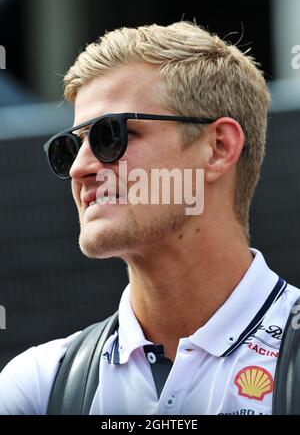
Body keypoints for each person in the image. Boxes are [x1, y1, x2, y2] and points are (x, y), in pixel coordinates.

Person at [0, 21, 299, 415]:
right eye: (70, 147)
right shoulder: (39, 385)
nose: (79, 168)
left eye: (111, 135)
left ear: (218, 148)